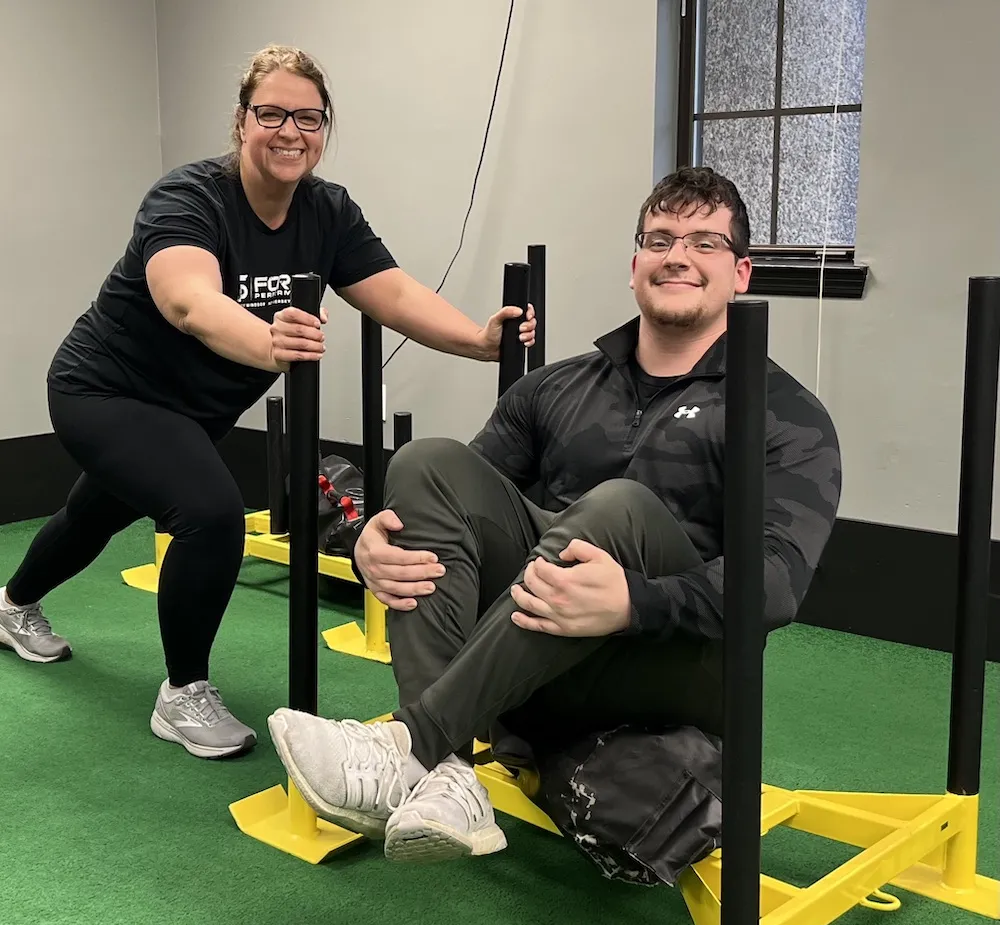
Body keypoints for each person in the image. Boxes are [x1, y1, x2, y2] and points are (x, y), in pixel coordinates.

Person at [266, 165, 843, 863]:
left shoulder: (785, 414)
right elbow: (450, 512)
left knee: (619, 509)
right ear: (635, 267)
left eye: (704, 243)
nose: (678, 256)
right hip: (534, 655)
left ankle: (413, 744)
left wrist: (633, 600)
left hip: (676, 672)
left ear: (742, 272)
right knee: (423, 464)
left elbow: (777, 583)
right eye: (659, 240)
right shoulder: (556, 387)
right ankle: (448, 778)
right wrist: (369, 542)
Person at [0, 44, 534, 761]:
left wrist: (476, 340)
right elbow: (187, 300)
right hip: (104, 390)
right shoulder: (189, 198)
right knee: (210, 513)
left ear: (325, 127)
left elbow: (393, 291)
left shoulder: (327, 211)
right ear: (241, 121)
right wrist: (269, 341)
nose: (290, 132)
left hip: (194, 410)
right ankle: (182, 691)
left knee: (95, 510)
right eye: (272, 113)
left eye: (308, 118)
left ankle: (11, 605)